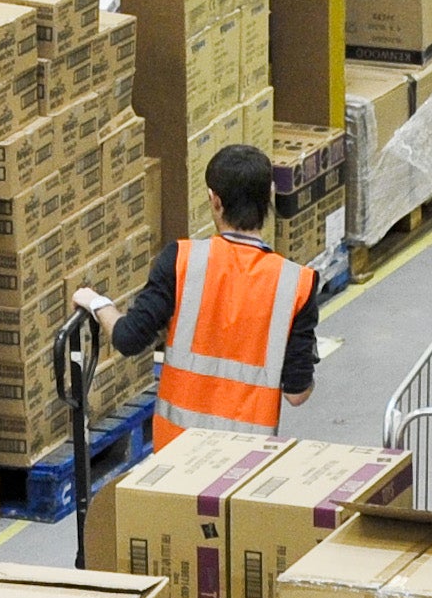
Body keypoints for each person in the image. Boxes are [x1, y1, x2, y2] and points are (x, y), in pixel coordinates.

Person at [73, 142, 318, 437]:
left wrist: (97, 303)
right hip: (247, 463)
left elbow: (128, 338)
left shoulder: (181, 260)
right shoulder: (297, 283)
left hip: (179, 456)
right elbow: (297, 393)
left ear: (215, 201)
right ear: (270, 196)